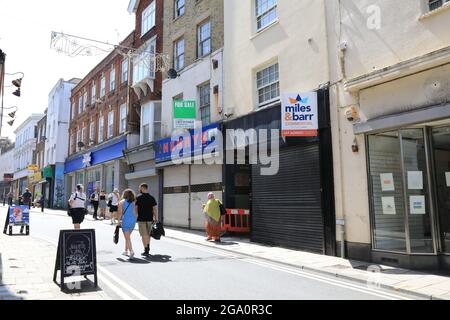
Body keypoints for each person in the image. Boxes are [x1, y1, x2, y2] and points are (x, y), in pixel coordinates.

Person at [135, 183, 158, 256]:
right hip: (150, 218)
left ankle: (146, 249)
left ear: (142, 188)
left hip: (141, 219)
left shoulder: (138, 197)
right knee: (148, 234)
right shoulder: (152, 197)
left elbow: (135, 208)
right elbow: (154, 209)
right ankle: (148, 247)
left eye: (140, 188)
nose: (139, 189)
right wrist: (156, 218)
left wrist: (136, 216)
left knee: (143, 235)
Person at [117, 189, 137, 259]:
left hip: (125, 220)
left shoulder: (121, 202)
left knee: (127, 237)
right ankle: (126, 251)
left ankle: (131, 251)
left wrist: (118, 221)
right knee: (127, 237)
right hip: (133, 221)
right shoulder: (134, 202)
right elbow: (135, 213)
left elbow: (119, 213)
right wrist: (135, 220)